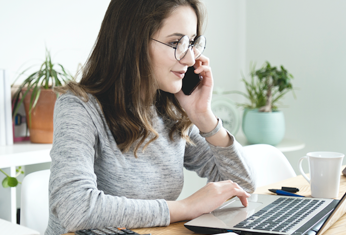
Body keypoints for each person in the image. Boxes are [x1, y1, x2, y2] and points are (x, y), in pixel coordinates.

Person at [45, 1, 255, 234]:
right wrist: (186, 207)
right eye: (176, 43)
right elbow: (75, 208)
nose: (189, 58)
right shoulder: (79, 107)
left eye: (192, 43)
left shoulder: (172, 108)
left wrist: (204, 116)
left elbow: (243, 187)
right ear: (132, 42)